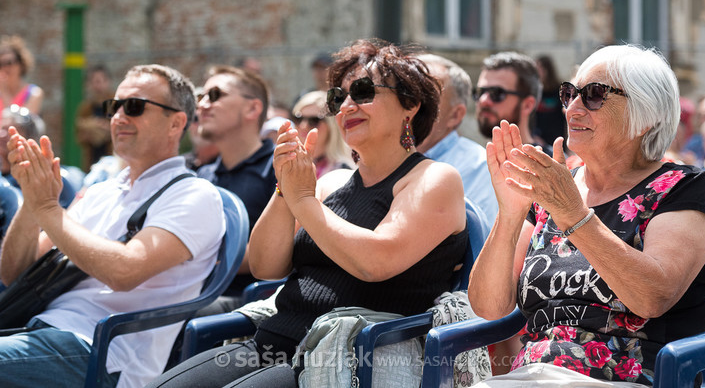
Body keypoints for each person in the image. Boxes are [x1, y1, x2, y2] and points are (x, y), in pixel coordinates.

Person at [148, 38, 468, 388]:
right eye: (337, 97)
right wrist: (285, 189)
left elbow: (376, 262)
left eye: (362, 92)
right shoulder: (332, 182)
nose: (346, 106)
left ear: (410, 105)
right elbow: (267, 266)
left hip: (344, 359)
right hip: (272, 343)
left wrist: (303, 198)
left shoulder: (434, 178)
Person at [468, 45, 705, 386]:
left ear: (647, 115)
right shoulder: (556, 189)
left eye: (595, 95)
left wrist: (573, 213)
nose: (572, 107)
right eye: (568, 93)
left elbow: (652, 297)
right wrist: (511, 213)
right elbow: (488, 306)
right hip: (532, 376)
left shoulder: (680, 186)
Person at [0, 64, 225, 388]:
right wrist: (33, 205)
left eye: (133, 106)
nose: (118, 116)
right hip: (43, 332)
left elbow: (125, 272)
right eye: (113, 106)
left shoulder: (194, 194)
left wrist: (49, 209)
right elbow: (14, 273)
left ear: (176, 122)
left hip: (102, 354)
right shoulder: (101, 192)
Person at [195, 65, 277, 305]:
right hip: (197, 294)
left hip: (250, 305)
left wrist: (196, 257)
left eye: (215, 95)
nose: (202, 105)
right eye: (201, 97)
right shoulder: (202, 176)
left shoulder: (282, 168)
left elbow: (279, 254)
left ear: (253, 108)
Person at [416, 53, 497, 228]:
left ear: (455, 115)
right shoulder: (381, 160)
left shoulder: (482, 169)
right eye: (405, 92)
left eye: (426, 96)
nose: (412, 105)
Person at [475, 51, 550, 153]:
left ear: (527, 105)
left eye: (497, 93)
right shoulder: (467, 164)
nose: (483, 101)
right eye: (480, 92)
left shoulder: (553, 166)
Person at [291, 90, 354, 178]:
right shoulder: (289, 165)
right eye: (298, 119)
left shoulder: (343, 170)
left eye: (314, 121)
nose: (303, 126)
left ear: (331, 126)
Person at [75, 64, 115, 171]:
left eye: (101, 81)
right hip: (92, 162)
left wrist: (103, 128)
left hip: (113, 161)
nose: (98, 86)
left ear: (108, 82)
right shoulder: (85, 108)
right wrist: (90, 132)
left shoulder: (114, 104)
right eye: (95, 82)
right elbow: (79, 137)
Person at [0, 35, 44, 115]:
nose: (5, 67)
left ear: (21, 64)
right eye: (1, 64)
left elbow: (20, 122)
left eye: (9, 62)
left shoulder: (34, 93)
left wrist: (4, 91)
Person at [534, 54, 567, 146]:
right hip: (538, 140)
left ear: (547, 70)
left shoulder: (560, 90)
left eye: (539, 68)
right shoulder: (534, 91)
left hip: (557, 139)